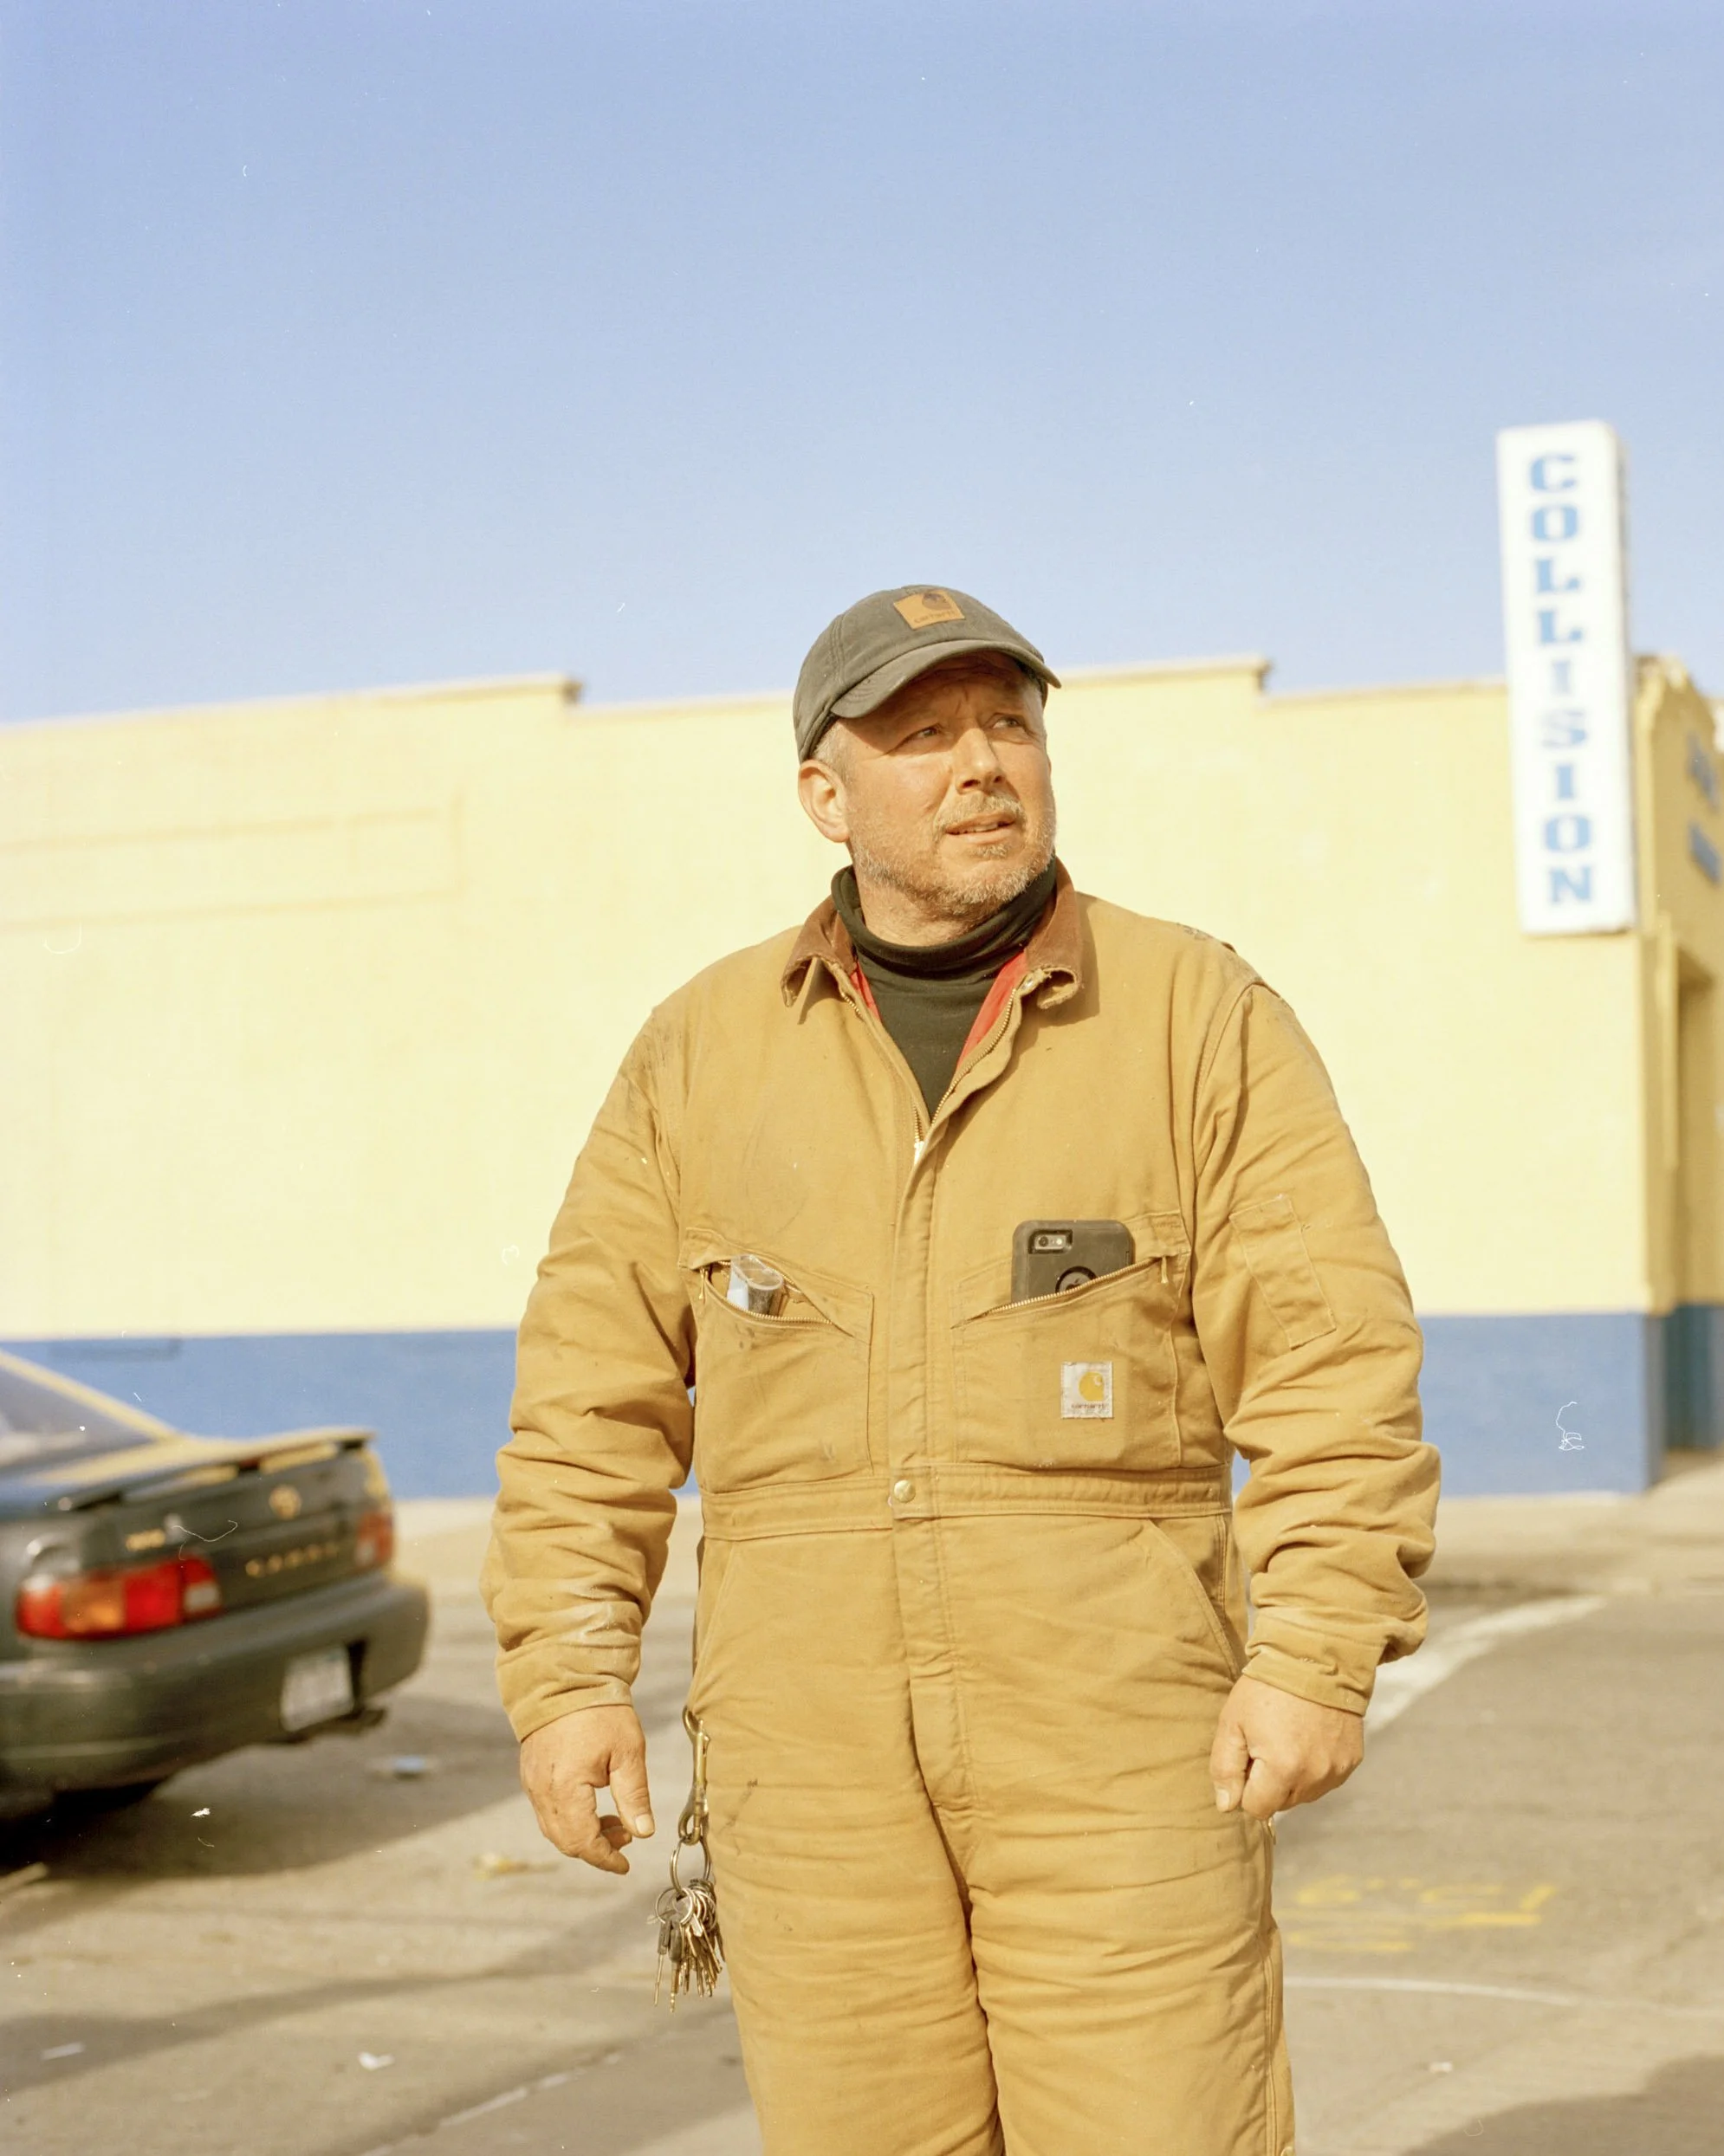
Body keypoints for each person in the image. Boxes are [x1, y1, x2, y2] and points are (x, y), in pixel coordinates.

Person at [483, 584, 1441, 2155]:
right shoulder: (701, 1052)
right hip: (814, 1777)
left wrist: (1319, 1645)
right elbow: (591, 1398)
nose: (981, 763)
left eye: (1008, 724)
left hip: (1121, 1765)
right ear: (825, 796)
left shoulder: (1197, 1016)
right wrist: (569, 1678)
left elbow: (1335, 1364)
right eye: (923, 735)